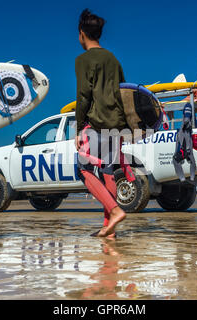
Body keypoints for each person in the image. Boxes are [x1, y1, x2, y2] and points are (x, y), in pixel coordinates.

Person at [75, 9, 127, 238]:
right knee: (108, 171)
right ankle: (109, 229)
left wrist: (78, 127)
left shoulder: (83, 60)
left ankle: (115, 212)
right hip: (117, 123)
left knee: (84, 169)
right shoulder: (113, 59)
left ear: (82, 34)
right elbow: (124, 91)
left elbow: (84, 95)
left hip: (96, 123)